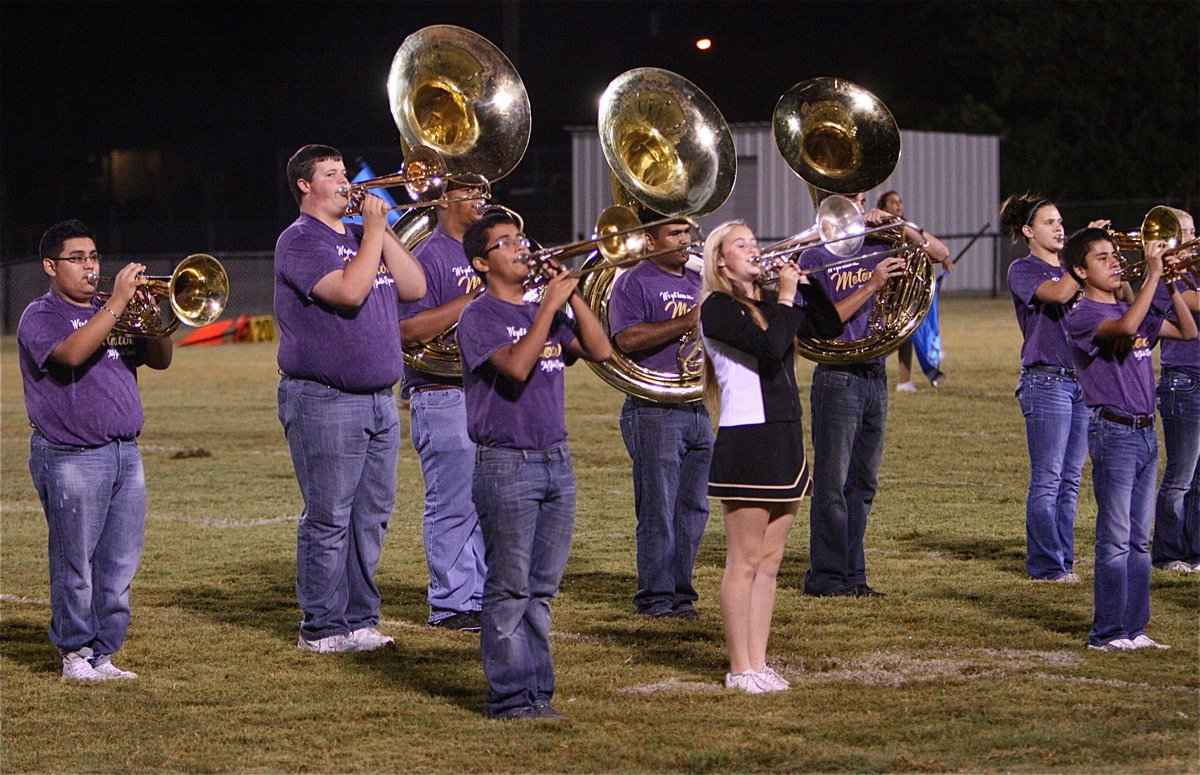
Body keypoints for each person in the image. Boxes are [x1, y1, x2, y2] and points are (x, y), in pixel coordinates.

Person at [457, 210, 612, 719]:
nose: (522, 248)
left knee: (541, 591)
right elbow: (518, 368)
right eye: (506, 243)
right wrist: (547, 307)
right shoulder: (479, 316)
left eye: (522, 237)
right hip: (508, 464)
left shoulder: (543, 308)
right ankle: (509, 697)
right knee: (509, 587)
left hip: (556, 460)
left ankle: (537, 693)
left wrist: (573, 296)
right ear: (482, 262)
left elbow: (601, 350)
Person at [274, 144, 426, 653]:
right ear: (304, 184)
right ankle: (320, 627)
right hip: (325, 399)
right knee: (329, 515)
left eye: (344, 173)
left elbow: (414, 284)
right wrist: (375, 233)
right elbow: (349, 292)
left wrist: (379, 228)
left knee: (371, 516)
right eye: (331, 174)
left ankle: (360, 619)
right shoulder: (298, 240)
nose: (344, 182)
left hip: (380, 400)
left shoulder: (365, 235)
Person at [18, 219, 173, 681]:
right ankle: (75, 654)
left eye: (94, 257)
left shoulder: (114, 308)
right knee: (76, 563)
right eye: (77, 258)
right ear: (50, 266)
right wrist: (120, 303)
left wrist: (153, 316)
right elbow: (70, 355)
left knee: (119, 566)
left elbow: (161, 359)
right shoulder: (40, 315)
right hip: (70, 455)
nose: (90, 267)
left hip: (126, 452)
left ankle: (104, 653)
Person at [699, 220, 842, 693]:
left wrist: (808, 284)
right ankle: (739, 668)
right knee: (743, 560)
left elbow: (828, 326)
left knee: (771, 560)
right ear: (720, 260)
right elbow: (769, 346)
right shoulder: (716, 307)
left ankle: (758, 664)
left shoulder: (766, 304)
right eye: (742, 245)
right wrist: (784, 298)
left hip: (784, 435)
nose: (754, 250)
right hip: (748, 438)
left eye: (755, 242)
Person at [1063, 227, 1195, 650]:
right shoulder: (1081, 315)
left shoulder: (1130, 303)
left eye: (1114, 255)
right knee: (1116, 537)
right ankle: (1106, 632)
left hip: (1144, 432)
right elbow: (1126, 326)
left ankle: (1135, 628)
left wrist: (1171, 282)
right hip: (1113, 432)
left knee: (1140, 540)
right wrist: (1154, 275)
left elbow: (1188, 331)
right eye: (1101, 258)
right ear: (1080, 271)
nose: (1114, 261)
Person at [799, 193, 908, 598]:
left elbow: (937, 251)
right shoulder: (813, 257)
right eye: (851, 200)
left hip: (875, 375)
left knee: (863, 483)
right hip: (838, 376)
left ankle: (853, 574)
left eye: (863, 199)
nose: (859, 207)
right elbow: (823, 323)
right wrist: (874, 283)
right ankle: (826, 576)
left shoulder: (880, 243)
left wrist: (898, 225)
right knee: (832, 483)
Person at [607, 217, 713, 620]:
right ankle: (655, 597)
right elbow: (627, 339)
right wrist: (689, 321)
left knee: (693, 509)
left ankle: (681, 594)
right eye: (675, 234)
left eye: (687, 233)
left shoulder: (697, 281)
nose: (685, 240)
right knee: (659, 509)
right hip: (652, 409)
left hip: (695, 406)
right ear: (650, 241)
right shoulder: (634, 282)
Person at [398, 182, 489, 630]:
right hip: (440, 392)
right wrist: (472, 301)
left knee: (486, 502)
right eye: (469, 189)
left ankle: (480, 595)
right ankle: (452, 602)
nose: (481, 196)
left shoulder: (486, 254)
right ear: (443, 199)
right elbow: (407, 331)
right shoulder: (427, 256)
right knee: (452, 503)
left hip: (486, 391)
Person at [1002, 194, 1088, 583]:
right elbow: (1057, 295)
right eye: (1050, 222)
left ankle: (1063, 561)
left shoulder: (1075, 270)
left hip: (1083, 382)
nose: (1059, 228)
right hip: (1046, 380)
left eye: (1060, 221)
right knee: (1049, 478)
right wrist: (1085, 257)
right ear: (1028, 231)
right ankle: (1045, 564)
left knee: (1070, 481)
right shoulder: (1023, 268)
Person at [1150, 208, 1200, 574]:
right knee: (1181, 475)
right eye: (1181, 232)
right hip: (1183, 381)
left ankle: (1195, 551)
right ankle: (1168, 552)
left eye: (1192, 230)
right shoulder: (1168, 281)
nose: (1189, 238)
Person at [877, 191, 953, 392]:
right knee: (889, 338)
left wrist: (944, 260)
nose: (899, 205)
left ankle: (904, 381)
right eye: (893, 202)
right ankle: (870, 364)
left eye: (900, 201)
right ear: (883, 208)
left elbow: (930, 248)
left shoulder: (906, 227)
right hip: (884, 290)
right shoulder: (880, 229)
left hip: (904, 289)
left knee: (906, 334)